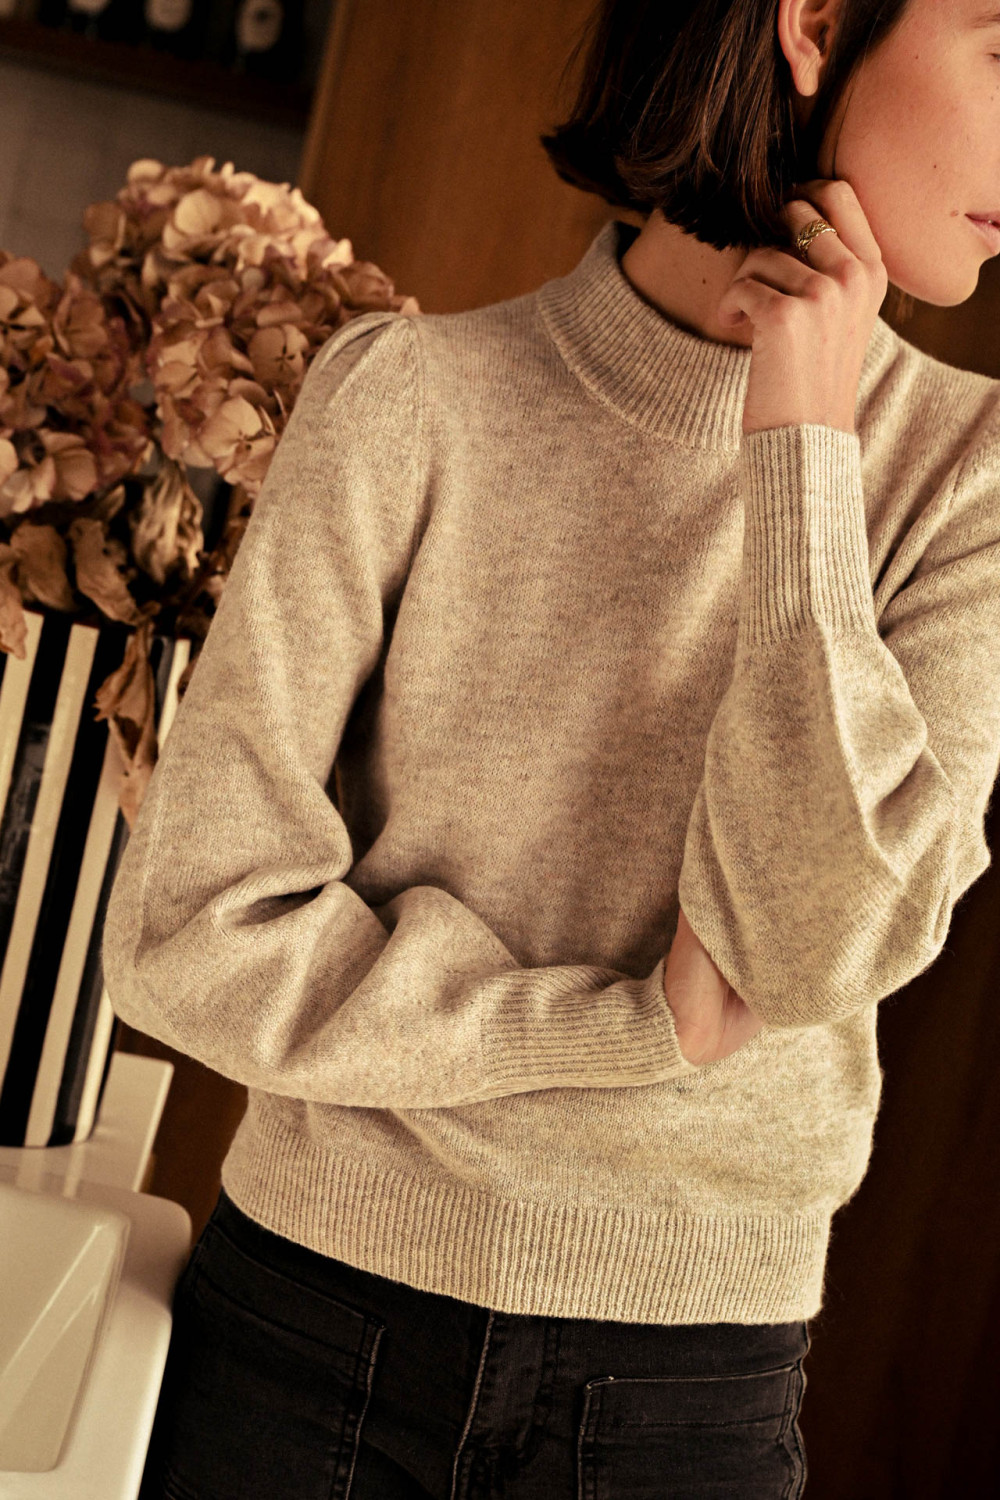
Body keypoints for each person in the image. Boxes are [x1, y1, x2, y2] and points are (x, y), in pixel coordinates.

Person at [102, 0, 1000, 1495]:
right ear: (816, 23)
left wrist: (802, 451)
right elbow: (188, 933)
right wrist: (622, 1031)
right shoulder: (407, 402)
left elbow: (813, 946)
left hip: (685, 1399)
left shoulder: (967, 479)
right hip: (308, 1342)